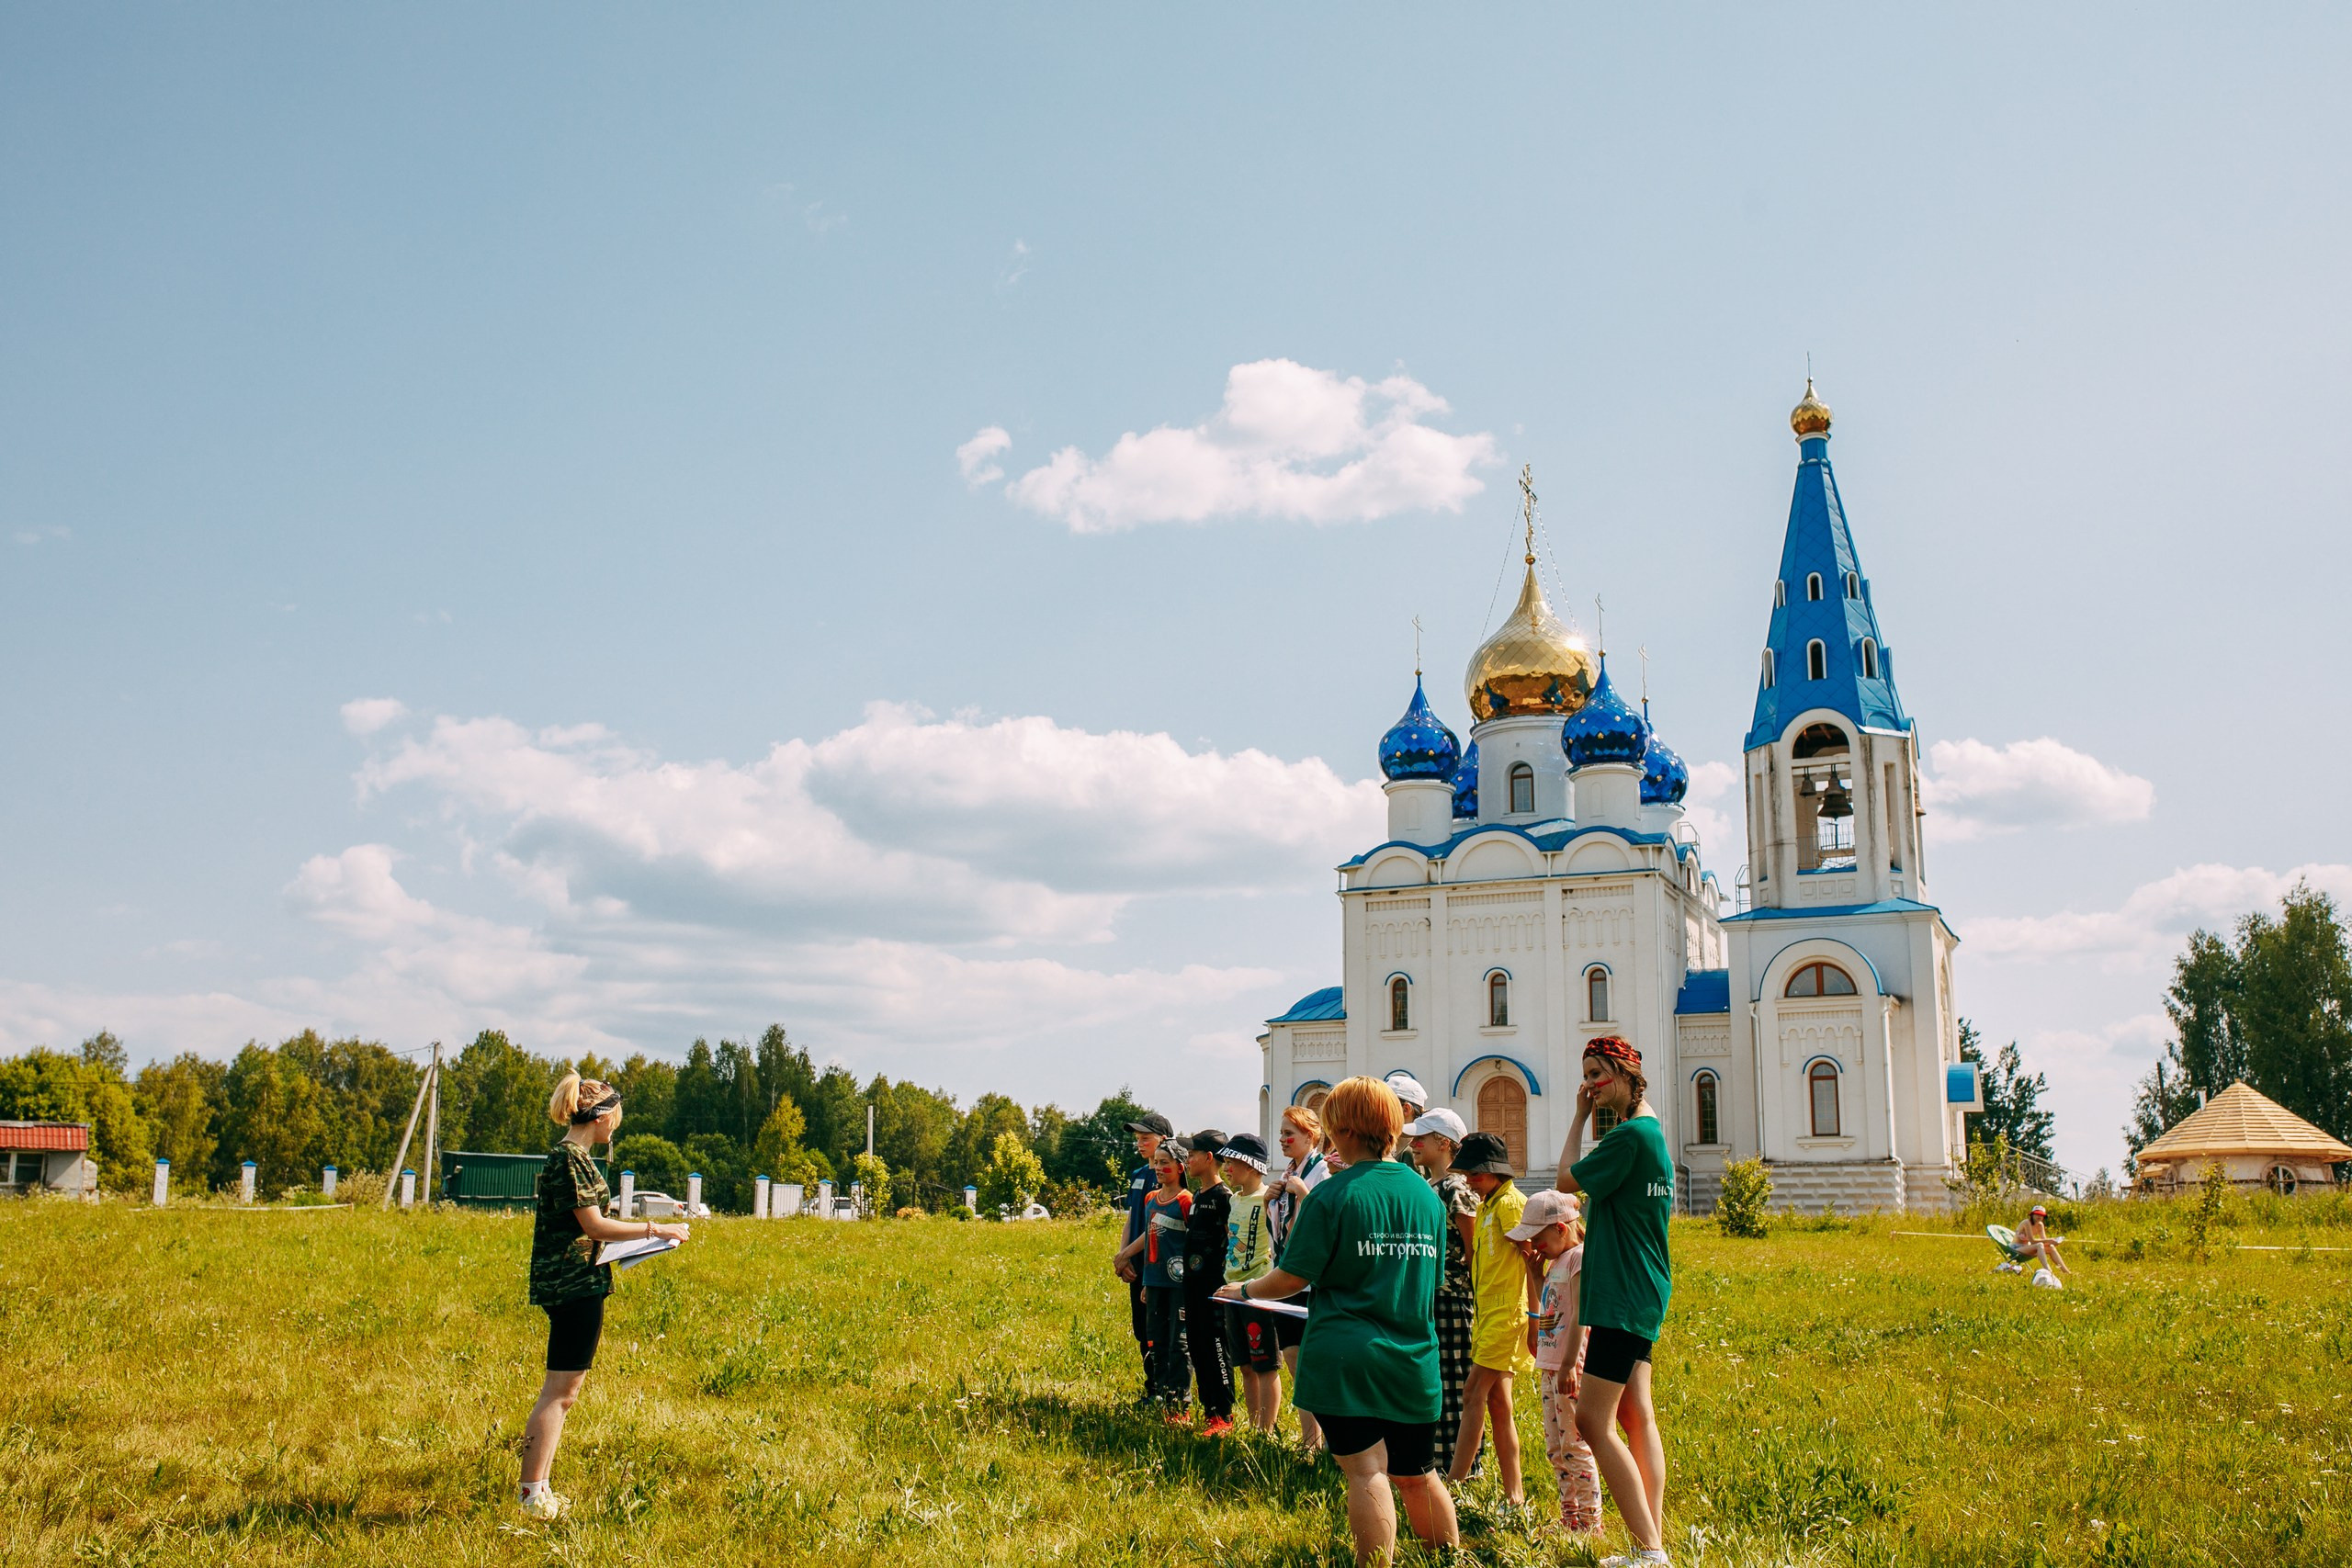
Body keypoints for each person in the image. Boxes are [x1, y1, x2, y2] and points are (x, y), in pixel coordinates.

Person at [1215, 1077, 1457, 1567]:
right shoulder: (1427, 1198)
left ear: (1342, 1128)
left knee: (1367, 1470)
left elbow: (1291, 1277)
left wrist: (1243, 1290)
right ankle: (1450, 1560)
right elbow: (1430, 1284)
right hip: (1413, 1356)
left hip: (1347, 1354)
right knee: (1417, 1472)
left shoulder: (1333, 1195)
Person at [518, 1072, 688, 1521]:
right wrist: (656, 1229)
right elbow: (593, 1226)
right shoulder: (571, 1159)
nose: (618, 1124)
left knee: (564, 1391)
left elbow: (587, 1229)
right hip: (572, 1285)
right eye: (617, 1115)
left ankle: (540, 1489)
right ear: (601, 1116)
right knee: (560, 1392)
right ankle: (532, 1495)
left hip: (576, 1281)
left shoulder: (572, 1157)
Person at [1554, 1036, 1674, 1568]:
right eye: (1587, 1076)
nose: (1591, 1086)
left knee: (1591, 1422)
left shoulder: (1628, 1137)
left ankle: (1649, 1552)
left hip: (1622, 1290)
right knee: (1635, 1414)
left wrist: (1579, 1118)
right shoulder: (1653, 1133)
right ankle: (1653, 1535)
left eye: (1599, 1074)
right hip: (1644, 1286)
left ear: (1627, 1072)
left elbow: (1563, 1185)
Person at [1514, 1188, 1602, 1537]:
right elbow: (1551, 1312)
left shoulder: (1579, 1257)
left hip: (1568, 1368)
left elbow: (1582, 1314)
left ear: (1561, 1229)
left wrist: (1569, 1365)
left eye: (1538, 1240)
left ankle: (1591, 1525)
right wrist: (1535, 1278)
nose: (1535, 1248)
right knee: (1556, 1447)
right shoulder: (1554, 1264)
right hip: (1550, 1366)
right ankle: (1570, 1519)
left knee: (1575, 1447)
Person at [1448, 1130, 1529, 1502]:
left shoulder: (1511, 1204)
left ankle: (1453, 1484)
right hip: (1488, 1312)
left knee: (1472, 1391)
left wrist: (1535, 1313)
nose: (1469, 1180)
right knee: (1499, 1405)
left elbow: (1531, 1255)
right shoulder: (1487, 1205)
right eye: (1466, 1174)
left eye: (1475, 1174)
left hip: (1507, 1314)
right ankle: (1515, 1495)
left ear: (1496, 1172)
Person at [1404, 1106, 1478, 1473]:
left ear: (1445, 1143)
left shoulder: (1456, 1187)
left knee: (1455, 1380)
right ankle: (1436, 1457)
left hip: (1452, 1297)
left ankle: (1461, 1461)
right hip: (1432, 1296)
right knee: (1436, 1380)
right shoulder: (1428, 1185)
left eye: (1422, 1138)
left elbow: (1472, 1248)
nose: (1413, 1144)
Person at [1114, 1139, 1193, 1420]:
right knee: (1155, 1341)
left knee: (1178, 1343)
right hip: (1154, 1280)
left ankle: (1180, 1401)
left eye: (1165, 1163)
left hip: (1179, 1285)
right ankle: (1160, 1394)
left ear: (1180, 1168)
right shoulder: (1150, 1199)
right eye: (1156, 1163)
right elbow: (1149, 1239)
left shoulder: (1186, 1200)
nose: (1158, 1168)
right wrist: (1142, 1277)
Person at [1266, 1104, 1329, 1452]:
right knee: (1293, 1359)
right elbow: (1279, 1230)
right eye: (1281, 1133)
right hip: (1285, 1275)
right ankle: (1311, 1440)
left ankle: (1319, 1442)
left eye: (1290, 1133)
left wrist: (1303, 1194)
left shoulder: (1320, 1173)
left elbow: (1321, 1217)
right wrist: (1270, 1201)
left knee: (1308, 1363)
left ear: (1311, 1135)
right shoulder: (1290, 1172)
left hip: (1306, 1282)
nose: (1283, 1139)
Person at [1217, 1133, 1283, 1432]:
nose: (1226, 1168)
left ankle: (1266, 1431)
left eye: (1232, 1162)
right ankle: (1253, 1424)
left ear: (1252, 1165)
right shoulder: (1234, 1199)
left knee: (1265, 1363)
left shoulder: (1268, 1197)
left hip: (1258, 1291)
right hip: (1231, 1289)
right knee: (1244, 1364)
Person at [1114, 1112, 1173, 1403]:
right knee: (1142, 1330)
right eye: (1137, 1138)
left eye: (1145, 1138)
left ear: (1163, 1140)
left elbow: (1157, 1225)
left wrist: (1128, 1253)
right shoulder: (1138, 1175)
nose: (1140, 1143)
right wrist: (1123, 1257)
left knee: (1158, 1329)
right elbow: (1131, 1219)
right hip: (1136, 1266)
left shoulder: (1170, 1177)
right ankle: (1152, 1388)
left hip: (1157, 1266)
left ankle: (1166, 1391)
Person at [1182, 1128, 1236, 1435]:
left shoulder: (1224, 1197)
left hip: (1215, 1289)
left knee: (1216, 1347)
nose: (1188, 1160)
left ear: (1209, 1157)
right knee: (1198, 1348)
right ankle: (1209, 1411)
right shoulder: (1197, 1197)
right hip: (1192, 1287)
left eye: (1192, 1155)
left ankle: (1223, 1415)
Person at [2005, 1204, 2071, 1285]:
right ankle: (2049, 1271)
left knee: (2051, 1247)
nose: (2039, 1217)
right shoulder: (2026, 1222)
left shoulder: (2040, 1225)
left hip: (2027, 1247)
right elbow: (2032, 1241)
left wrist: (2053, 1242)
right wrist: (2050, 1240)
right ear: (2032, 1215)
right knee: (2039, 1245)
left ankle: (2067, 1272)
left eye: (2041, 1215)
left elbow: (2044, 1240)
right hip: (2016, 1248)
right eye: (2037, 1214)